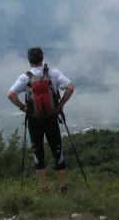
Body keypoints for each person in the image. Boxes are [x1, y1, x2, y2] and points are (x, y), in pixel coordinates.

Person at [7, 47, 75, 193]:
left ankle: (44, 188)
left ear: (29, 60)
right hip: (51, 118)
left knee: (38, 154)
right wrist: (60, 105)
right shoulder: (53, 73)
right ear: (42, 58)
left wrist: (23, 108)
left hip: (34, 120)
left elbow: (10, 94)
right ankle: (62, 186)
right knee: (58, 152)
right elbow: (70, 87)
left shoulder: (25, 77)